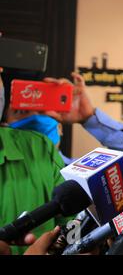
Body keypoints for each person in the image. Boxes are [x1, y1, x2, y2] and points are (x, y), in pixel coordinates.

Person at [1, 71, 123, 179]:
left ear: (60, 128)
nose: (36, 116)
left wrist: (88, 117)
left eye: (45, 110)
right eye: (23, 111)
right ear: (4, 126)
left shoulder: (75, 174)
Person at [0, 67, 70, 255]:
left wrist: (74, 245)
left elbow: (74, 225)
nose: (35, 118)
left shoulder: (42, 149)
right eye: (22, 110)